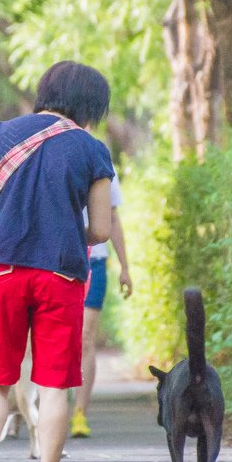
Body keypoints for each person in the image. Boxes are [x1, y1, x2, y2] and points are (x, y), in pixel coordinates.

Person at [0, 61, 114, 462]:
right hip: (60, 275)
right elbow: (102, 229)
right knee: (53, 385)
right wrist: (64, 232)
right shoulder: (91, 149)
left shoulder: (0, 133)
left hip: (1, 271)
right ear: (88, 105)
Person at [71, 174, 133, 438]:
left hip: (94, 260)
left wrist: (125, 268)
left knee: (85, 336)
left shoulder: (99, 162)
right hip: (56, 257)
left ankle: (78, 413)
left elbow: (113, 217)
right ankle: (39, 409)